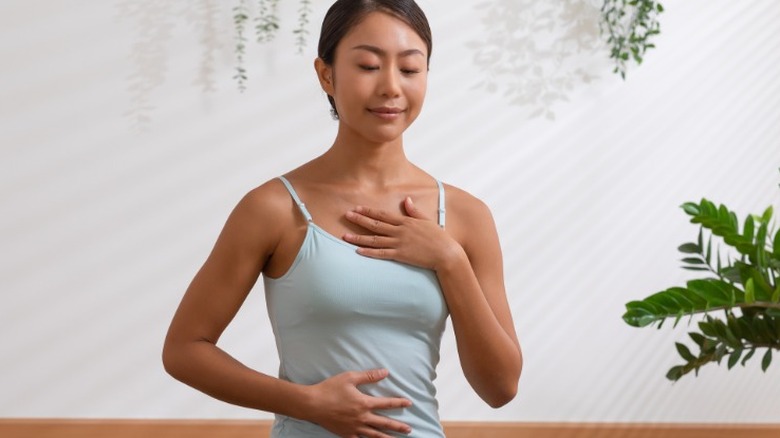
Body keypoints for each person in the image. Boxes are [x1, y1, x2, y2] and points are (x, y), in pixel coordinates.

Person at [162, 0, 522, 436]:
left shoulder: (465, 216)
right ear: (326, 74)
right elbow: (184, 349)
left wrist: (449, 259)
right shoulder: (274, 208)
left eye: (410, 70)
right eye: (369, 66)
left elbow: (501, 387)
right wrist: (307, 403)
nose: (391, 87)